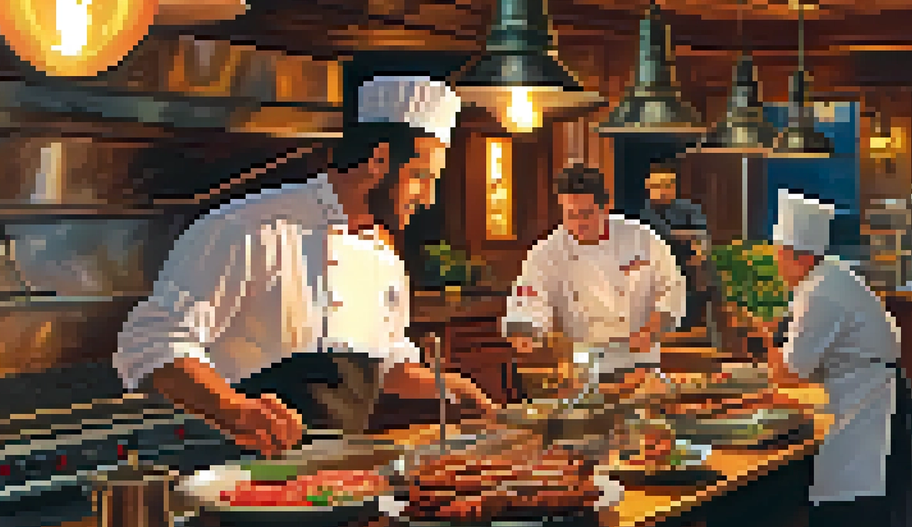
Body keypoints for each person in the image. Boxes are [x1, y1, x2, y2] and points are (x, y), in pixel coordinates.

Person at [113, 77, 493, 458]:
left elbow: (384, 364)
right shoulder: (248, 229)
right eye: (420, 178)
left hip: (335, 470)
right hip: (239, 467)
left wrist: (449, 386)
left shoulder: (384, 257)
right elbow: (152, 343)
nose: (426, 199)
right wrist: (235, 411)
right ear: (379, 160)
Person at [765, 189, 912, 527]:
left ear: (796, 256)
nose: (775, 262)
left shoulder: (818, 293)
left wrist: (764, 338)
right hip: (869, 387)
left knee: (849, 483)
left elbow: (791, 370)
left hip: (864, 395)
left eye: (778, 253)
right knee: (870, 480)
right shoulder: (832, 275)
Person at [504, 164, 686, 377]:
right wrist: (525, 331)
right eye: (570, 214)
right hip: (580, 364)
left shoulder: (642, 239)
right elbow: (530, 297)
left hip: (641, 361)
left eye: (586, 214)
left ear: (606, 206)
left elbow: (671, 289)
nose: (578, 223)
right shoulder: (547, 251)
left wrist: (651, 330)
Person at [639, 160, 715, 330]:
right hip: (652, 278)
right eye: (658, 185)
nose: (663, 190)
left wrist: (696, 245)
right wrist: (684, 234)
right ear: (648, 186)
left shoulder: (689, 209)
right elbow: (664, 235)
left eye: (669, 184)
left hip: (688, 272)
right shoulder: (639, 214)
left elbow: (701, 235)